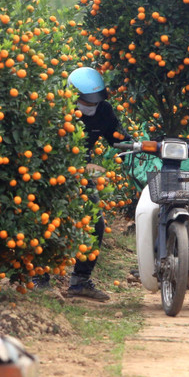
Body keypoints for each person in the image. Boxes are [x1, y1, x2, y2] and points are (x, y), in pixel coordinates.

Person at [56, 66, 129, 302]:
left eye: (95, 101)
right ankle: (39, 279)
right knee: (49, 222)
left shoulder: (104, 111)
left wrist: (139, 149)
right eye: (86, 101)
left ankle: (80, 282)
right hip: (51, 171)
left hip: (82, 171)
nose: (91, 106)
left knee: (95, 224)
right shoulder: (55, 110)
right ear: (72, 96)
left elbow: (118, 139)